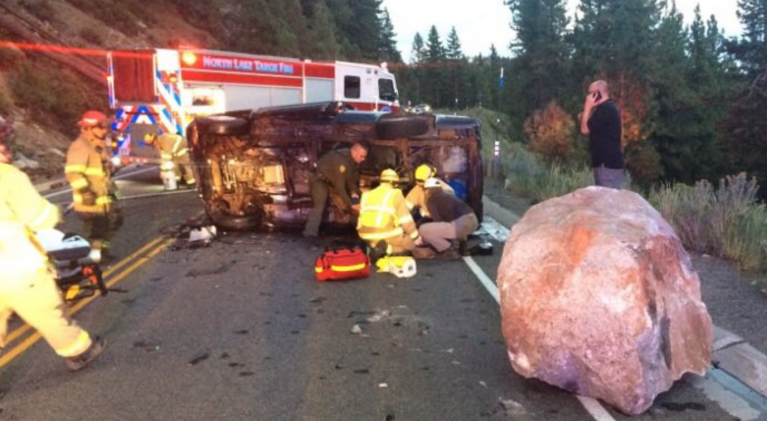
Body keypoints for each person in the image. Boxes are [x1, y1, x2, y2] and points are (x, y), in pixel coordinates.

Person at [0, 115, 106, 371]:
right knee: (47, 310)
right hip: (15, 268)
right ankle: (80, 351)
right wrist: (55, 212)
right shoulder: (8, 176)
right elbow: (38, 217)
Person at [65, 110, 124, 263]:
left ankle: (102, 252)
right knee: (96, 230)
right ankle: (92, 260)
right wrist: (85, 192)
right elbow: (73, 173)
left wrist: (114, 168)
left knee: (115, 221)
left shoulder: (97, 146)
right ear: (87, 128)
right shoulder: (81, 147)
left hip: (104, 197)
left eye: (105, 127)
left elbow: (101, 171)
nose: (104, 131)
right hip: (90, 202)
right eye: (100, 127)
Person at [357, 169, 433, 260]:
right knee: (410, 246)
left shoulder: (366, 194)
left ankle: (371, 248)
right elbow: (406, 221)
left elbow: (362, 216)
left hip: (364, 234)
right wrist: (416, 237)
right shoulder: (395, 194)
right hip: (383, 235)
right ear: (395, 183)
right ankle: (386, 249)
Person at [303, 140, 370, 237]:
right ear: (354, 152)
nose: (363, 159)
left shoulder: (353, 162)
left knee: (353, 202)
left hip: (334, 182)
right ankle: (309, 234)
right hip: (320, 180)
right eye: (362, 156)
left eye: (364, 156)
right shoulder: (340, 160)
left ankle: (355, 232)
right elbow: (340, 187)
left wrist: (354, 193)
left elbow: (350, 180)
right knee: (319, 206)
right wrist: (351, 204)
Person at [418, 178, 479, 260]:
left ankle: (449, 250)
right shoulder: (447, 195)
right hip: (473, 221)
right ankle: (463, 247)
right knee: (455, 222)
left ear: (427, 190)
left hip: (460, 225)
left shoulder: (431, 200)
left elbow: (438, 221)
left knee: (423, 229)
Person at [580, 80, 624, 189]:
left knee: (607, 200)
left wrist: (587, 106)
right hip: (605, 163)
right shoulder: (604, 109)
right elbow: (586, 122)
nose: (588, 97)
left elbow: (584, 129)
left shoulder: (606, 109)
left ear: (598, 93)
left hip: (607, 164)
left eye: (590, 93)